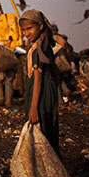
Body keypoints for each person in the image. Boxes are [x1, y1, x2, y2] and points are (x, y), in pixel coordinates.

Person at [19, 9, 60, 155]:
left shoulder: (38, 50)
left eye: (29, 28)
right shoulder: (43, 46)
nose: (26, 33)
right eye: (23, 30)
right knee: (48, 127)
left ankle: (47, 165)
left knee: (42, 128)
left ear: (40, 26)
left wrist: (33, 107)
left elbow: (38, 79)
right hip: (46, 91)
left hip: (41, 94)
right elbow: (55, 72)